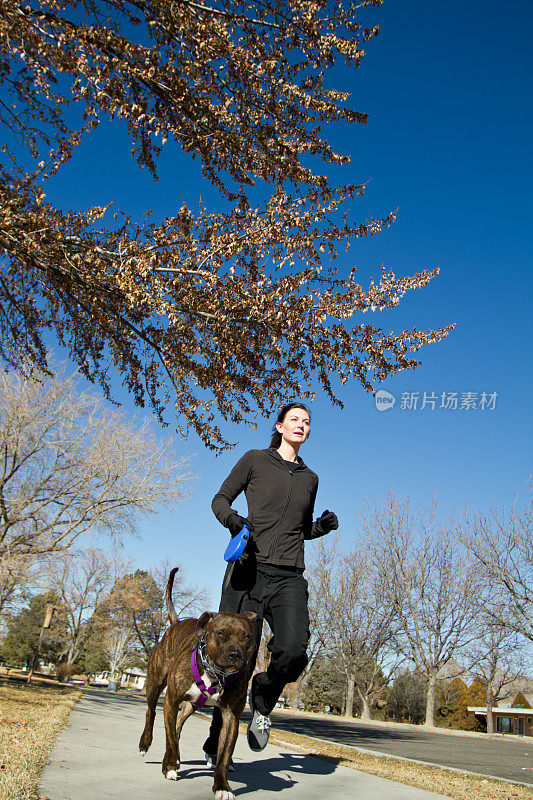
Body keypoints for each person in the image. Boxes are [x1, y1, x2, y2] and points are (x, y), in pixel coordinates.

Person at [203, 402, 338, 763]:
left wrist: (320, 528)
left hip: (289, 574)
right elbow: (219, 500)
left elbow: (300, 528)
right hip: (249, 569)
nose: (302, 425)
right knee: (235, 659)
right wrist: (234, 521)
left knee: (294, 649)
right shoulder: (254, 460)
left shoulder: (310, 478)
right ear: (279, 426)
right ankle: (218, 738)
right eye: (295, 419)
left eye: (307, 422)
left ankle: (263, 696)